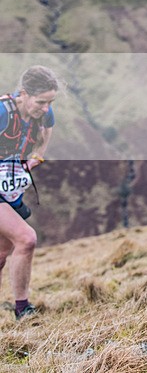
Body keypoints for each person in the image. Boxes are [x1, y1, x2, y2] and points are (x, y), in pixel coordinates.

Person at [0, 65, 59, 320]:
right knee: (26, 239)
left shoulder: (43, 112)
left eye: (50, 102)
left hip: (10, 187)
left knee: (2, 252)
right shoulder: (2, 112)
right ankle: (23, 310)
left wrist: (37, 155)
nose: (46, 108)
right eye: (41, 102)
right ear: (23, 94)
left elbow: (48, 128)